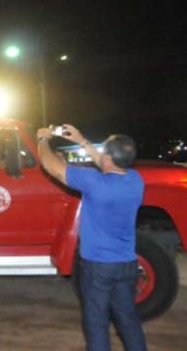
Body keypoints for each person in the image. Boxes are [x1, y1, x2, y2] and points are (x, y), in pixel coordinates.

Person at [37, 124, 147, 351]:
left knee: (96, 323)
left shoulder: (94, 182)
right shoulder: (135, 180)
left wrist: (42, 140)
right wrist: (82, 141)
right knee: (128, 320)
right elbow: (106, 164)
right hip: (126, 265)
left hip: (98, 267)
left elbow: (52, 166)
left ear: (108, 156)